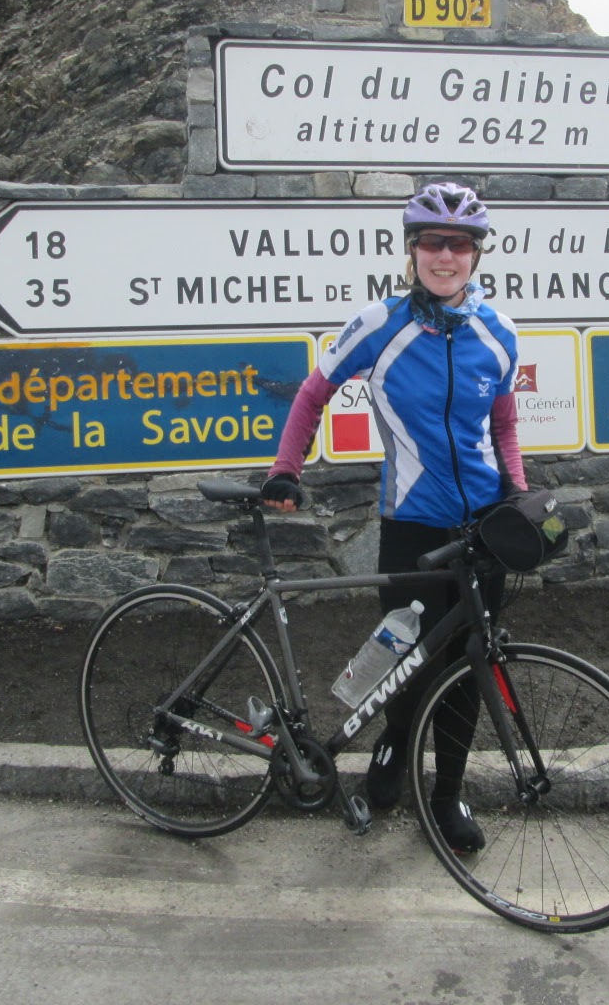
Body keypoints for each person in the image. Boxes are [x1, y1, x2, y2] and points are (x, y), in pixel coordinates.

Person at [260, 182, 527, 852]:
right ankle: (392, 750)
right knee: (405, 662)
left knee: (469, 666)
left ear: (476, 256)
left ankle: (447, 795)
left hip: (483, 531)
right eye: (433, 243)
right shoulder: (381, 324)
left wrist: (519, 492)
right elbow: (312, 393)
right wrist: (285, 468)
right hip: (412, 526)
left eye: (459, 244)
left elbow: (504, 423)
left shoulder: (498, 332)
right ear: (412, 250)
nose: (446, 255)